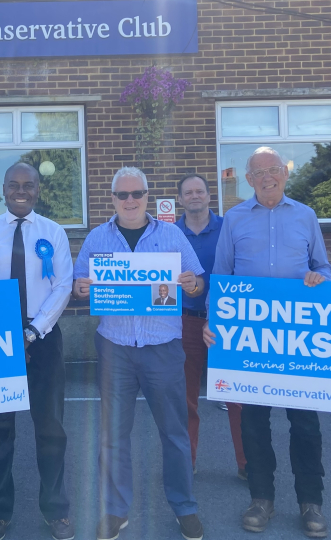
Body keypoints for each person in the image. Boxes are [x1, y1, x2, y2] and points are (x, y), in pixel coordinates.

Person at [203, 147, 331, 538]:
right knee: (254, 423)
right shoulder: (235, 219)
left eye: (274, 169)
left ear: (285, 174)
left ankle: (311, 502)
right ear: (249, 180)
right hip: (250, 340)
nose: (268, 177)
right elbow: (221, 274)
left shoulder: (305, 216)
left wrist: (319, 278)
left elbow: (323, 267)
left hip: (297, 341)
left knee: (306, 424)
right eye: (259, 172)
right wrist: (212, 318)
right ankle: (261, 498)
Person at [72, 167, 205, 540]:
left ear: (148, 196)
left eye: (137, 193)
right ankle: (115, 511)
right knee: (113, 434)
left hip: (162, 347)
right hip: (115, 347)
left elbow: (197, 282)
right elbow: (79, 286)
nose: (130, 200)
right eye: (122, 195)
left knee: (174, 433)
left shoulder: (172, 235)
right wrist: (81, 288)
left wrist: (193, 284)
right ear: (111, 198)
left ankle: (184, 507)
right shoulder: (97, 237)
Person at [0, 162, 74, 540]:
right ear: (4, 190)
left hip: (43, 338)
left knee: (50, 429)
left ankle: (56, 511)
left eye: (28, 185)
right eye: (13, 185)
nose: (21, 191)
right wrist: (3, 334)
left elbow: (63, 287)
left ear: (38, 190)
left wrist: (32, 331)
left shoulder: (54, 233)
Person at [174, 173, 247, 479]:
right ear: (180, 199)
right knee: (186, 398)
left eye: (199, 191)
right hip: (185, 321)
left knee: (238, 398)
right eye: (188, 192)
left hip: (227, 322)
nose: (194, 196)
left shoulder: (228, 228)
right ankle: (186, 461)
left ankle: (247, 465)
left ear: (208, 196)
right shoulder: (168, 233)